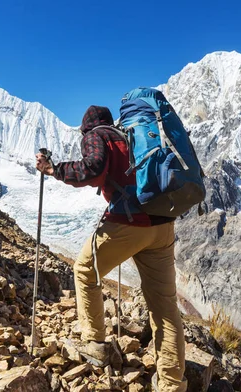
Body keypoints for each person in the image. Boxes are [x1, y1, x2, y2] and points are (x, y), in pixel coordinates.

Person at [36, 105, 187, 392]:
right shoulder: (132, 136)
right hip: (162, 224)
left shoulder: (97, 136)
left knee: (84, 270)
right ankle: (172, 383)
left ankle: (95, 343)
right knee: (165, 306)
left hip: (129, 224)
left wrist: (53, 169)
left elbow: (91, 169)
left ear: (86, 127)